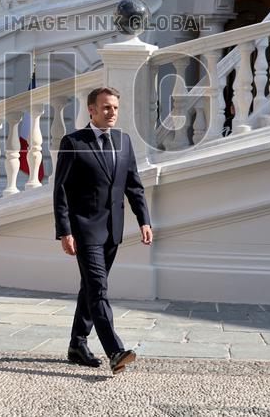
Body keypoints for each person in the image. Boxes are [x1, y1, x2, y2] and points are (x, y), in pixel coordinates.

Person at [53, 86, 152, 374]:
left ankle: (77, 344)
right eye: (106, 107)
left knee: (90, 288)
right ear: (92, 110)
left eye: (115, 108)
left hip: (113, 231)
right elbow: (60, 191)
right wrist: (65, 230)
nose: (112, 113)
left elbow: (133, 185)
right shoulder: (73, 141)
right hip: (84, 230)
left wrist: (144, 220)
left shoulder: (124, 141)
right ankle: (115, 350)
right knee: (98, 289)